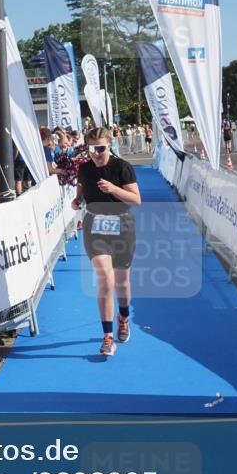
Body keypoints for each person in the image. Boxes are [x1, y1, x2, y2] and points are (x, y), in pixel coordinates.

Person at [71, 127, 141, 357]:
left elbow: (136, 200)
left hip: (122, 227)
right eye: (91, 149)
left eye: (100, 148)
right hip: (95, 228)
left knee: (122, 283)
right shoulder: (84, 168)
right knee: (106, 280)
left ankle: (124, 317)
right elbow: (81, 189)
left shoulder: (122, 168)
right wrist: (77, 200)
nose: (96, 153)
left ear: (109, 145)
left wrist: (113, 189)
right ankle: (108, 337)